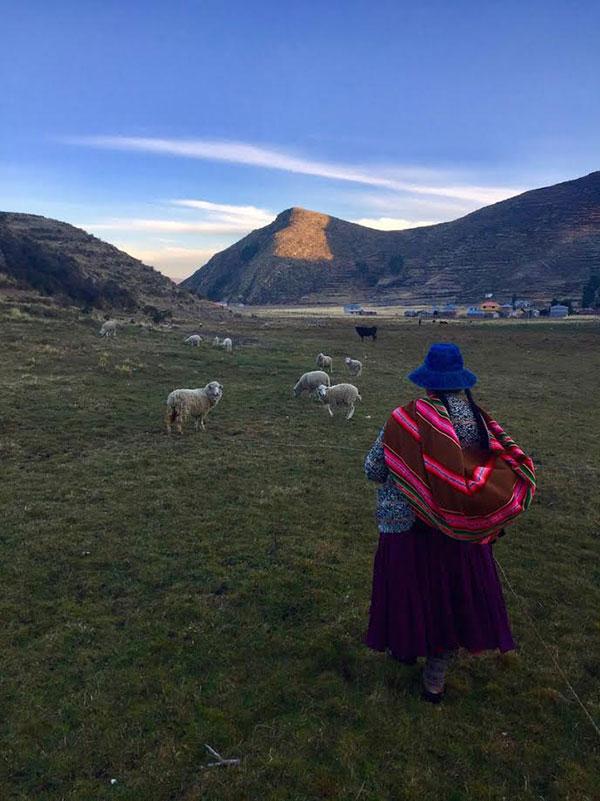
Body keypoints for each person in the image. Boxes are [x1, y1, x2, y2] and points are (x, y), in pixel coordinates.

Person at [363, 343, 536, 702]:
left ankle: (406, 648)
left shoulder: (404, 418)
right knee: (449, 599)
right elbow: (490, 464)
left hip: (406, 524)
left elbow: (374, 468)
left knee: (410, 592)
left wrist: (409, 477)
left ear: (428, 380)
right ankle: (435, 679)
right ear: (460, 381)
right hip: (457, 528)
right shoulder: (479, 420)